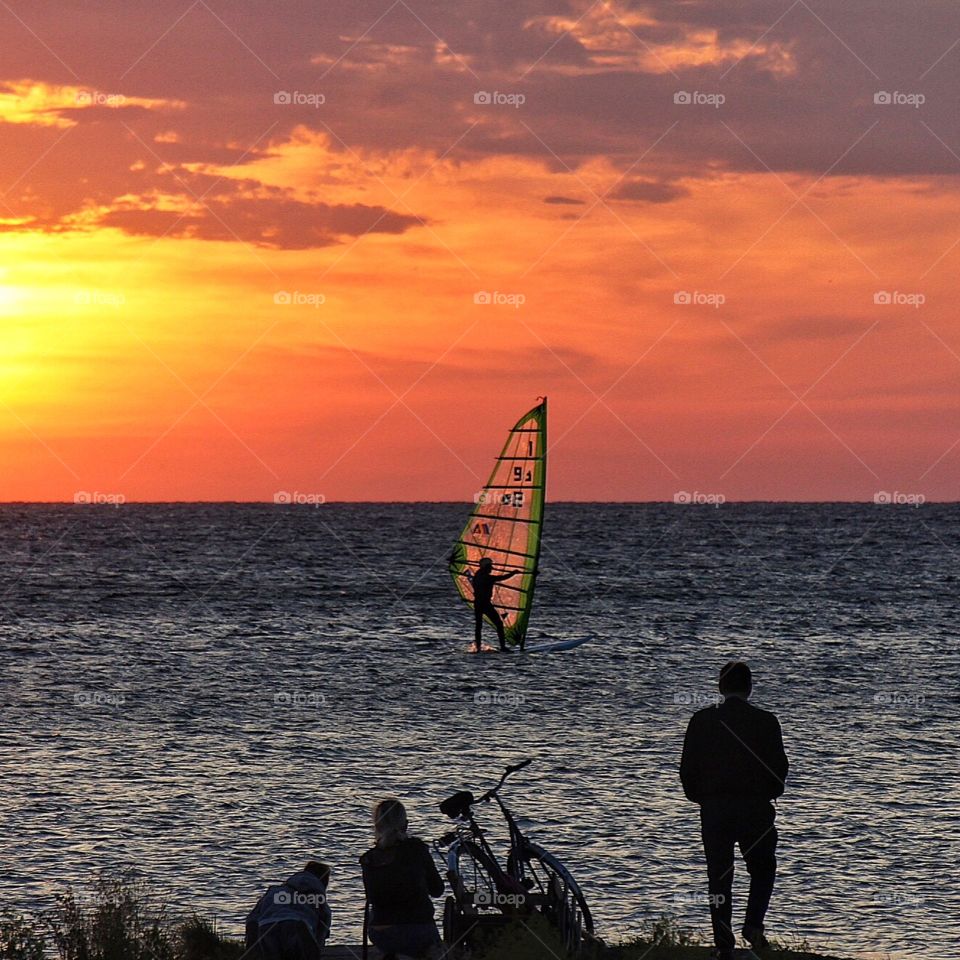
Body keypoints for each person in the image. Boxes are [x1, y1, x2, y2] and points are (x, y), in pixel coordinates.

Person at [680, 662, 789, 960]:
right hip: (755, 809)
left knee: (719, 875)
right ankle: (753, 925)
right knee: (763, 869)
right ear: (750, 687)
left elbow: (687, 769)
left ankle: (723, 942)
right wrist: (767, 794)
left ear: (720, 687)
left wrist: (702, 799)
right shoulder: (767, 722)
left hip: (715, 809)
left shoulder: (701, 721)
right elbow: (779, 772)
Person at [360, 798, 444, 959]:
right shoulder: (417, 849)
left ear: (376, 826)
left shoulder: (368, 859)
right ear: (406, 825)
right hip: (417, 930)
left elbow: (371, 897)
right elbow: (437, 890)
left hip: (380, 933)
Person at [245, 861, 331, 960]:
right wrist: (317, 948)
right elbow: (324, 923)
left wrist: (251, 948)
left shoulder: (275, 891)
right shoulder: (317, 897)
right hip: (298, 926)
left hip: (267, 926)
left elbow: (252, 919)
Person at [467, 557, 520, 652]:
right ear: (486, 567)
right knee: (499, 624)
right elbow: (500, 578)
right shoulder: (486, 577)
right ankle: (503, 647)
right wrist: (513, 573)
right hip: (485, 604)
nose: (492, 568)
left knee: (478, 626)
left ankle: (478, 647)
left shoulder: (477, 575)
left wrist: (513, 573)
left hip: (478, 603)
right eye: (490, 566)